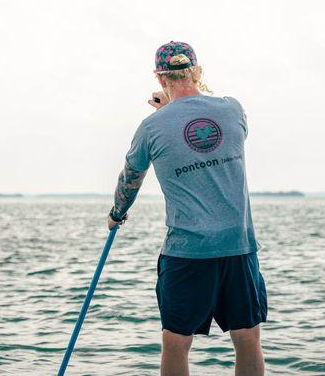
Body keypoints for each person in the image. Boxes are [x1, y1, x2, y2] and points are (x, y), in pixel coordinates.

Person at [108, 41, 267, 376]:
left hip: (187, 250)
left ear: (159, 76)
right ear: (197, 70)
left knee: (177, 341)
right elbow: (215, 143)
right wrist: (174, 108)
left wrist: (117, 214)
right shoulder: (232, 109)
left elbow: (131, 178)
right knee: (247, 335)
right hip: (237, 245)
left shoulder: (151, 127)